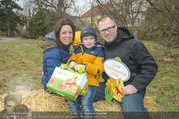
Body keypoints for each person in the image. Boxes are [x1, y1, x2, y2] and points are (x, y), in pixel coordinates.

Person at [96, 15, 158, 119]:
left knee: (133, 114)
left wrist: (135, 86)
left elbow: (150, 67)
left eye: (109, 29)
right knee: (83, 91)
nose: (106, 33)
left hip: (128, 89)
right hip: (109, 87)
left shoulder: (134, 45)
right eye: (103, 30)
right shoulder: (102, 49)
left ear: (115, 26)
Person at [67, 24, 104, 119]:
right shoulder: (78, 50)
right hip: (77, 81)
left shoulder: (99, 51)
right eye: (86, 39)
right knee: (71, 100)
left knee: (86, 104)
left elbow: (98, 69)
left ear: (95, 40)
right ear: (82, 40)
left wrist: (85, 66)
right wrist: (71, 62)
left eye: (91, 38)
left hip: (90, 82)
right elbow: (71, 59)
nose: (88, 41)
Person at [40, 18, 76, 92]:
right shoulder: (54, 51)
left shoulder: (63, 46)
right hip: (53, 89)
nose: (68, 36)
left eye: (70, 32)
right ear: (58, 34)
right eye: (64, 33)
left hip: (59, 85)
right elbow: (53, 79)